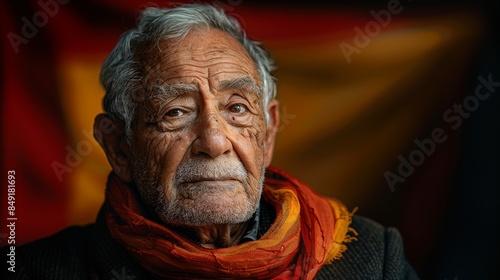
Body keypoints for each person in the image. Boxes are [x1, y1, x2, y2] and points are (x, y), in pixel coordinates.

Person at [2, 4, 418, 279]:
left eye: (237, 108)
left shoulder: (372, 261)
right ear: (119, 148)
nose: (215, 141)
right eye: (176, 112)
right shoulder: (36, 270)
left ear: (268, 133)